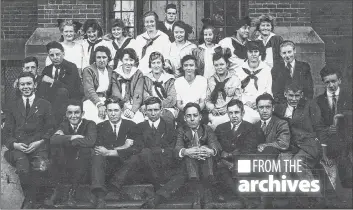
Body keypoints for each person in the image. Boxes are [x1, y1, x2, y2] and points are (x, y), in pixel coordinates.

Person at [3, 72, 54, 208]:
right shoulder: (12, 105)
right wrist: (15, 144)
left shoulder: (45, 104)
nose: (26, 87)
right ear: (18, 87)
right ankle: (30, 200)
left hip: (38, 146)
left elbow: (50, 128)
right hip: (18, 147)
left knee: (40, 166)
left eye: (29, 83)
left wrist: (40, 142)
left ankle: (37, 200)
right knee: (23, 168)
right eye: (22, 84)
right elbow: (6, 131)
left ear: (35, 85)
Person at [273, 83, 325, 208]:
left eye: (297, 95)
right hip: (290, 146)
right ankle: (293, 198)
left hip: (308, 145)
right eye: (291, 95)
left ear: (301, 95)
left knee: (298, 163)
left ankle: (316, 198)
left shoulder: (309, 105)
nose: (294, 99)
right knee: (283, 161)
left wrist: (324, 148)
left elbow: (319, 126)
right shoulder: (280, 108)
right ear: (285, 94)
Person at [44, 99, 97, 207]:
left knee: (85, 150)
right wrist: (73, 137)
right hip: (67, 163)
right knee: (56, 150)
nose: (73, 116)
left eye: (76, 112)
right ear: (66, 114)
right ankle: (56, 191)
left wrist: (69, 141)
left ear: (82, 114)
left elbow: (90, 141)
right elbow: (53, 139)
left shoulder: (89, 124)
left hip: (84, 166)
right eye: (70, 113)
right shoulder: (64, 125)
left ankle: (72, 193)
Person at [91, 98, 136, 208]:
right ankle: (100, 196)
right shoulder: (100, 127)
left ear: (121, 110)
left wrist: (109, 151)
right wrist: (123, 147)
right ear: (106, 111)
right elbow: (99, 148)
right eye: (110, 111)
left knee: (135, 157)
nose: (113, 114)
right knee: (97, 156)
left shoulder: (131, 125)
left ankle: (113, 189)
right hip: (107, 166)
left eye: (116, 110)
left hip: (124, 168)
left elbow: (136, 148)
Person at [215, 99, 260, 208]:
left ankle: (241, 197)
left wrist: (229, 157)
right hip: (224, 164)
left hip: (241, 161)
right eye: (231, 113)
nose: (234, 116)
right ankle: (245, 200)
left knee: (237, 169)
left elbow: (248, 149)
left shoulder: (251, 128)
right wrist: (226, 162)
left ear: (243, 113)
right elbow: (216, 146)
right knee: (222, 170)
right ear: (228, 114)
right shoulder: (220, 128)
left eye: (236, 112)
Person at [315, 66, 352, 186]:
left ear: (339, 80)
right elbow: (317, 124)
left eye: (334, 81)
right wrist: (327, 130)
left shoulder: (349, 97)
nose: (331, 85)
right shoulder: (318, 101)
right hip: (330, 141)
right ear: (323, 82)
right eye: (327, 82)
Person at [254, 93, 290, 208]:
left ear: (273, 108)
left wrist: (265, 145)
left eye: (268, 107)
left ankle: (266, 199)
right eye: (261, 107)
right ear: (257, 109)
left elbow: (283, 143)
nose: (264, 111)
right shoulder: (254, 126)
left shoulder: (281, 123)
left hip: (276, 160)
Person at [38, 41, 83, 126]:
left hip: (70, 100)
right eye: (52, 55)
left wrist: (53, 81)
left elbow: (71, 89)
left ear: (63, 54)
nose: (55, 57)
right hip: (51, 102)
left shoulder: (71, 67)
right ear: (49, 56)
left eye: (58, 54)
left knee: (62, 91)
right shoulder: (47, 69)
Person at [234, 40, 272, 123]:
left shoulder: (267, 70)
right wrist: (244, 102)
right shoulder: (238, 70)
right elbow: (237, 92)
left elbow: (269, 90)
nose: (253, 54)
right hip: (244, 105)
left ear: (260, 53)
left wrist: (259, 102)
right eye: (250, 52)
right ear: (246, 53)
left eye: (256, 51)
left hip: (261, 105)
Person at [206, 48, 242, 130]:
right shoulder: (210, 80)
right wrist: (212, 108)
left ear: (227, 64)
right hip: (215, 112)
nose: (219, 67)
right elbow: (207, 99)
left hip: (229, 112)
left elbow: (238, 99)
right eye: (216, 65)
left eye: (222, 64)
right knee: (212, 126)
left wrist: (227, 109)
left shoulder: (234, 80)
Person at [111, 48, 145, 124]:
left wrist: (133, 111)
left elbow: (138, 93)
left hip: (134, 105)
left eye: (131, 60)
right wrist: (124, 108)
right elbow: (116, 94)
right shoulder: (115, 74)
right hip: (119, 105)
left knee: (138, 120)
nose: (128, 63)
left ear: (134, 61)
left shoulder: (138, 73)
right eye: (126, 60)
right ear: (121, 60)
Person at [143, 52, 177, 125]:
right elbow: (145, 96)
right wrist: (153, 106)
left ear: (163, 64)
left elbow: (172, 98)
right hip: (150, 107)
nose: (156, 66)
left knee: (166, 119)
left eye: (158, 63)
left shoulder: (170, 79)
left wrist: (159, 107)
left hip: (166, 107)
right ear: (150, 65)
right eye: (153, 63)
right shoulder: (146, 79)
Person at [82, 46, 113, 124]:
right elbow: (89, 90)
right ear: (94, 58)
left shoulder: (110, 71)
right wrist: (99, 104)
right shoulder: (88, 70)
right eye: (98, 57)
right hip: (92, 101)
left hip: (107, 100)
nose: (101, 60)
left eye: (104, 57)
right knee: (94, 120)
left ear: (108, 58)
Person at [174, 55, 208, 125]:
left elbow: (202, 103)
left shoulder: (202, 80)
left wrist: (194, 112)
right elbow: (178, 104)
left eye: (191, 65)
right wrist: (188, 112)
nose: (188, 68)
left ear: (196, 67)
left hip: (199, 111)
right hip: (184, 111)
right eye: (186, 65)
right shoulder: (178, 81)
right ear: (183, 67)